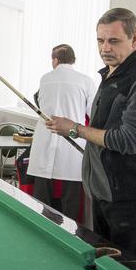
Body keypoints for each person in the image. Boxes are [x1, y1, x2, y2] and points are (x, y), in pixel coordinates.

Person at [45, 8, 136, 262]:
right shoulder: (111, 72)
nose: (105, 48)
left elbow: (128, 140)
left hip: (131, 197)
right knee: (104, 266)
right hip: (102, 191)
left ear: (135, 40)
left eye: (113, 40)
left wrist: (75, 128)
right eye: (100, 40)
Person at [28, 44, 96, 223]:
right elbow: (93, 114)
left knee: (43, 206)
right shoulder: (86, 81)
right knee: (72, 210)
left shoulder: (45, 79)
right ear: (73, 60)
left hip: (45, 145)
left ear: (55, 60)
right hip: (72, 148)